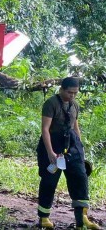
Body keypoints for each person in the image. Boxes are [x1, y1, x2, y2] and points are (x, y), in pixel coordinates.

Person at [36, 77, 100, 229]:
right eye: (70, 92)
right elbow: (45, 129)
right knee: (49, 181)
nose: (72, 95)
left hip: (71, 144)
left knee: (80, 177)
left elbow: (75, 127)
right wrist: (50, 152)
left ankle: (82, 220)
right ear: (62, 89)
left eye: (75, 93)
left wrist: (80, 148)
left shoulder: (75, 105)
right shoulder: (51, 103)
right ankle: (44, 218)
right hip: (53, 143)